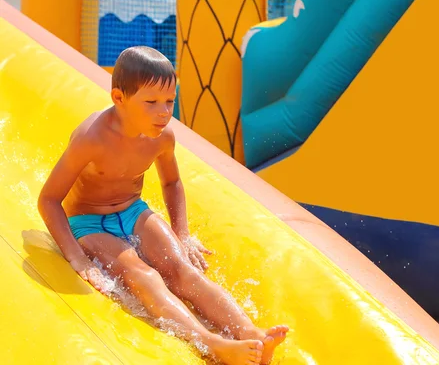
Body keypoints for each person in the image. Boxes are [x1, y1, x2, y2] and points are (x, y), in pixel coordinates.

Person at [37, 46, 288, 365]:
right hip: (88, 221)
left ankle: (251, 333)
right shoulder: (92, 138)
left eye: (170, 101)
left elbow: (171, 183)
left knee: (181, 268)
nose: (164, 112)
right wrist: (76, 257)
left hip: (133, 210)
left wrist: (182, 233)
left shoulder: (162, 137)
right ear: (119, 98)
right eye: (151, 102)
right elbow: (48, 199)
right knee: (143, 275)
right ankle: (213, 344)